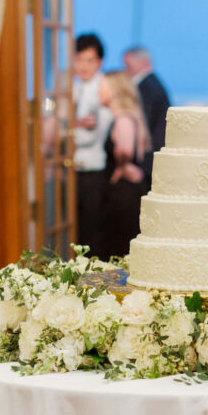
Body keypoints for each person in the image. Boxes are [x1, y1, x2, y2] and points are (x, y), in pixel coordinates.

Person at [99, 70, 151, 259]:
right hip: (126, 193)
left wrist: (122, 165)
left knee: (119, 247)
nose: (99, 91)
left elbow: (125, 150)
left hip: (124, 194)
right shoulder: (130, 116)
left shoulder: (123, 118)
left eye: (102, 87)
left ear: (114, 90)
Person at [72, 33, 112, 257]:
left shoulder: (105, 88)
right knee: (73, 233)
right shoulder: (71, 87)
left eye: (89, 60)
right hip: (69, 168)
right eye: (79, 59)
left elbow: (90, 135)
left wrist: (73, 125)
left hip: (95, 170)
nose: (83, 66)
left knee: (93, 232)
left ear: (99, 62)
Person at [123, 46, 170, 188]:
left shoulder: (146, 87)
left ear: (143, 62)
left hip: (149, 159)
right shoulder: (153, 83)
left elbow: (144, 122)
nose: (125, 69)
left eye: (128, 64)